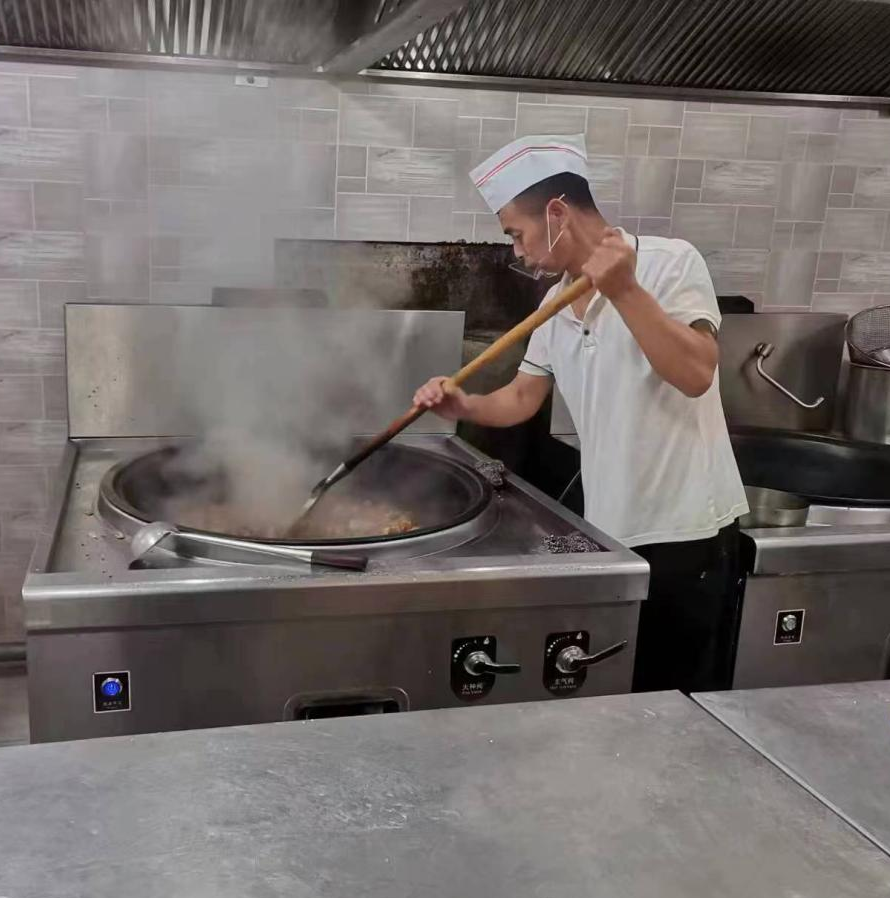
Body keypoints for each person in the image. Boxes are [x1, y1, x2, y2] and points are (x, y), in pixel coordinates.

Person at [414, 134, 749, 694]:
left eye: (516, 234)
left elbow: (696, 374)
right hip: (610, 534)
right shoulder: (554, 303)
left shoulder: (668, 262)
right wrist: (463, 405)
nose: (517, 251)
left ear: (557, 214)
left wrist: (625, 290)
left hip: (686, 533)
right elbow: (522, 398)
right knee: (612, 699)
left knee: (672, 705)